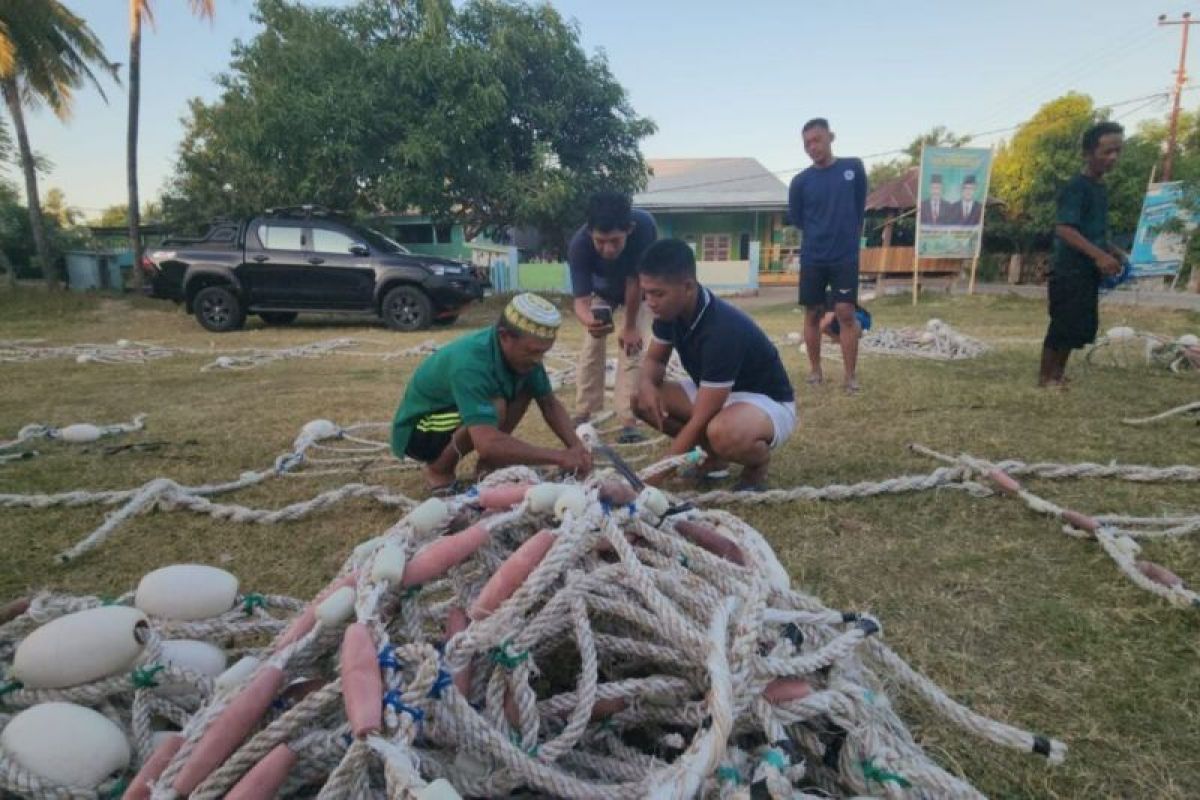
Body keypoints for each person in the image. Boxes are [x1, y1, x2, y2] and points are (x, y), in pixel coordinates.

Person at [634, 239, 796, 491]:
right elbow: (655, 360)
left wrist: (654, 476)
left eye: (658, 293)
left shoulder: (722, 329)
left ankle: (757, 466)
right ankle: (713, 457)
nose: (650, 302)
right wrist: (646, 384)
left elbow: (701, 418)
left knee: (721, 431)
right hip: (716, 395)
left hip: (765, 401)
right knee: (641, 400)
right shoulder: (669, 312)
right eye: (646, 292)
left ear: (687, 287)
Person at [391, 293, 591, 494]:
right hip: (421, 430)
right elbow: (487, 442)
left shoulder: (525, 358)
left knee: (523, 389)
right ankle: (438, 471)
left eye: (543, 352)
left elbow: (549, 404)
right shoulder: (470, 363)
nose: (538, 360)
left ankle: (490, 466)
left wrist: (576, 447)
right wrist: (559, 457)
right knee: (495, 406)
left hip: (451, 417)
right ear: (504, 336)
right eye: (533, 351)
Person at [1039, 121, 1127, 388]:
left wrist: (1112, 251)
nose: (1113, 158)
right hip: (1069, 270)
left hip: (1087, 272)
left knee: (1078, 326)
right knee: (1063, 325)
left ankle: (1058, 374)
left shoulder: (1099, 189)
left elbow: (1093, 231)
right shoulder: (1076, 187)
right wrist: (1098, 256)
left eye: (1117, 151)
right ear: (1088, 154)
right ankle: (1045, 377)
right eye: (1107, 152)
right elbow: (1065, 229)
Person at [567, 191, 657, 443]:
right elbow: (581, 301)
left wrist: (629, 327)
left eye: (615, 241)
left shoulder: (645, 228)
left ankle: (629, 421)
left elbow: (635, 281)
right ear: (590, 234)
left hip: (637, 291)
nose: (608, 249)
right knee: (591, 347)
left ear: (629, 229)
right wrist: (589, 322)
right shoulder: (579, 245)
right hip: (603, 293)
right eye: (600, 241)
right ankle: (582, 413)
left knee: (633, 349)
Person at [788, 118, 868, 392]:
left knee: (846, 312)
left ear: (831, 137)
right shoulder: (800, 182)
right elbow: (798, 219)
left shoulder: (853, 168)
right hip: (814, 257)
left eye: (817, 140)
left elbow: (859, 208)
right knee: (813, 313)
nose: (813, 147)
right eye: (807, 143)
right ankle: (815, 370)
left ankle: (850, 376)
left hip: (844, 256)